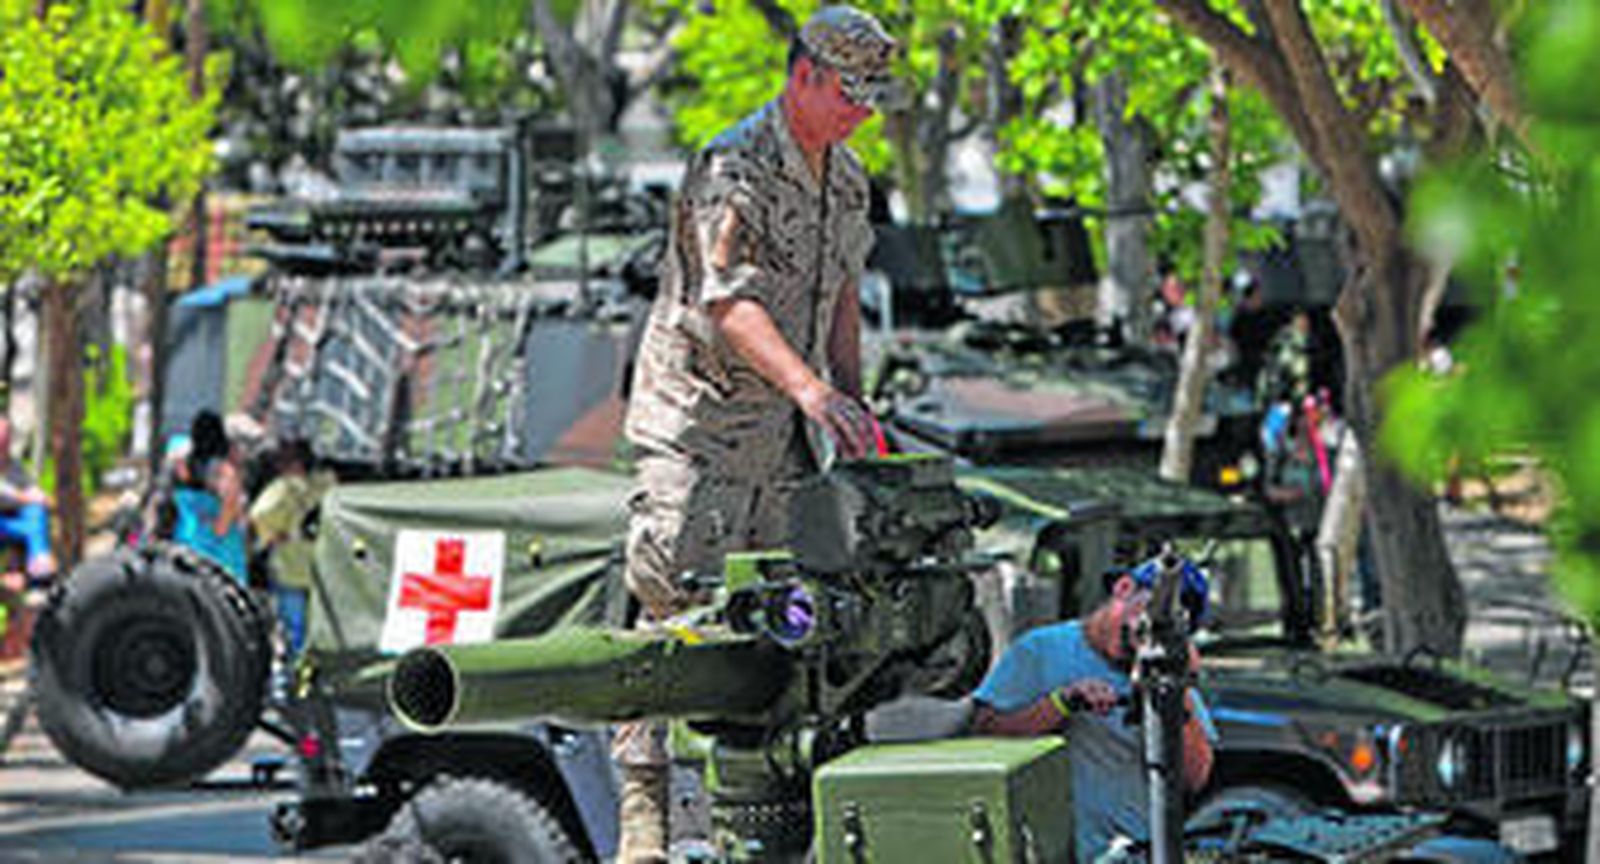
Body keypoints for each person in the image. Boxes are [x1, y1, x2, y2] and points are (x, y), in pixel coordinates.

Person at [614, 7, 900, 861]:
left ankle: (757, 812)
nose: (865, 112)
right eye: (852, 94)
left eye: (873, 97)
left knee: (782, 615)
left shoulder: (847, 178)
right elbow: (727, 303)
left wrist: (850, 402)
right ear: (804, 75)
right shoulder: (733, 165)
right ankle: (645, 806)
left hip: (782, 436)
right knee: (673, 600)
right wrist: (811, 390)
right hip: (700, 425)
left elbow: (841, 296)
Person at [970, 564, 1217, 862]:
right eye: (1145, 617)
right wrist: (1061, 703)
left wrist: (1177, 693)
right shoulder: (1041, 650)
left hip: (1133, 854)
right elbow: (985, 731)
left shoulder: (1164, 667)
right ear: (1123, 588)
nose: (1141, 637)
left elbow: (1196, 777)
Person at [248, 438, 332, 657]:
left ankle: (296, 670)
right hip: (323, 572)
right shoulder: (328, 484)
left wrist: (275, 536)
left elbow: (260, 514)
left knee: (294, 631)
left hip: (290, 571)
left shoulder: (284, 488)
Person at [0, 418, 55, 581]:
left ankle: (39, 559)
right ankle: (39, 559)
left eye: (5, 439)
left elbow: (29, 487)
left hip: (8, 523)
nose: (3, 443)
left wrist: (42, 497)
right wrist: (25, 497)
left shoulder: (12, 465)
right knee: (33, 523)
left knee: (35, 510)